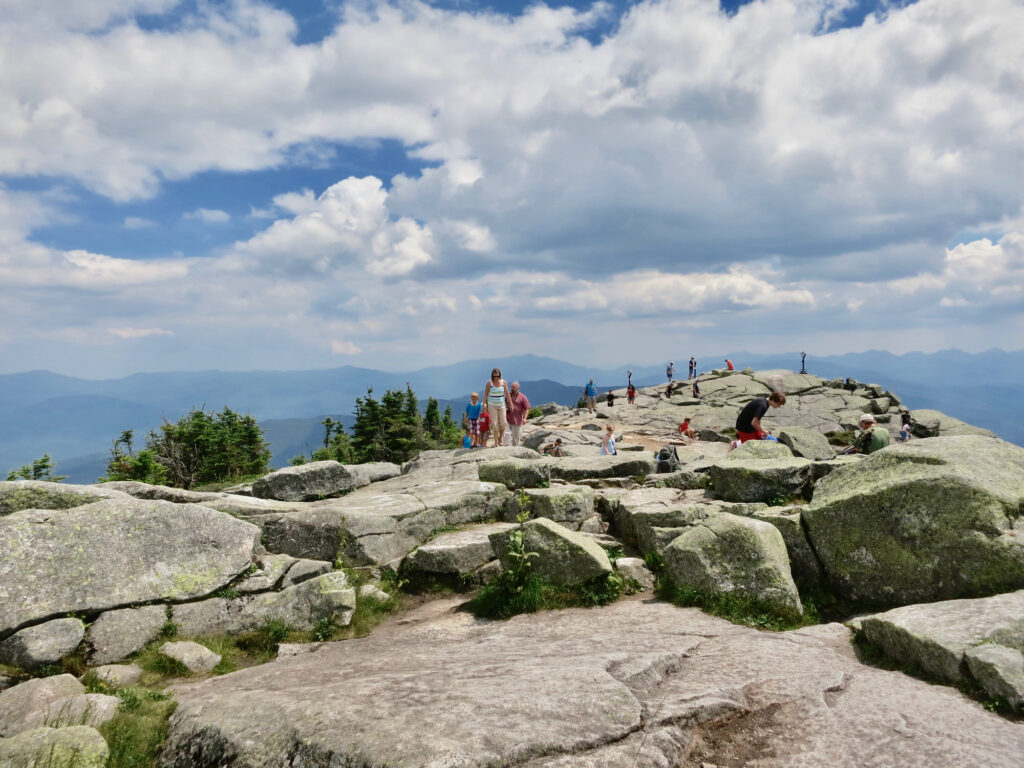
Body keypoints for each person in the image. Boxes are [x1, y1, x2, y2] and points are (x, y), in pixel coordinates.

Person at [483, 368, 511, 447]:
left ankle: (501, 437)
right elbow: (485, 394)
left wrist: (511, 404)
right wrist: (484, 405)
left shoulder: (503, 382)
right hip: (492, 405)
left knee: (503, 423)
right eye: (494, 376)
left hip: (501, 404)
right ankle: (496, 442)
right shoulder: (489, 383)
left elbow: (507, 394)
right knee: (494, 425)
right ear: (492, 376)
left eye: (497, 376)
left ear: (499, 375)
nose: (496, 377)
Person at [506, 381, 531, 447]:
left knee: (516, 438)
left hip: (517, 420)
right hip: (507, 419)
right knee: (506, 435)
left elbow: (527, 408)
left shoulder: (523, 397)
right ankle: (506, 450)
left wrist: (525, 418)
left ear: (518, 387)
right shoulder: (508, 396)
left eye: (513, 387)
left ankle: (515, 451)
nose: (512, 388)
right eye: (511, 387)